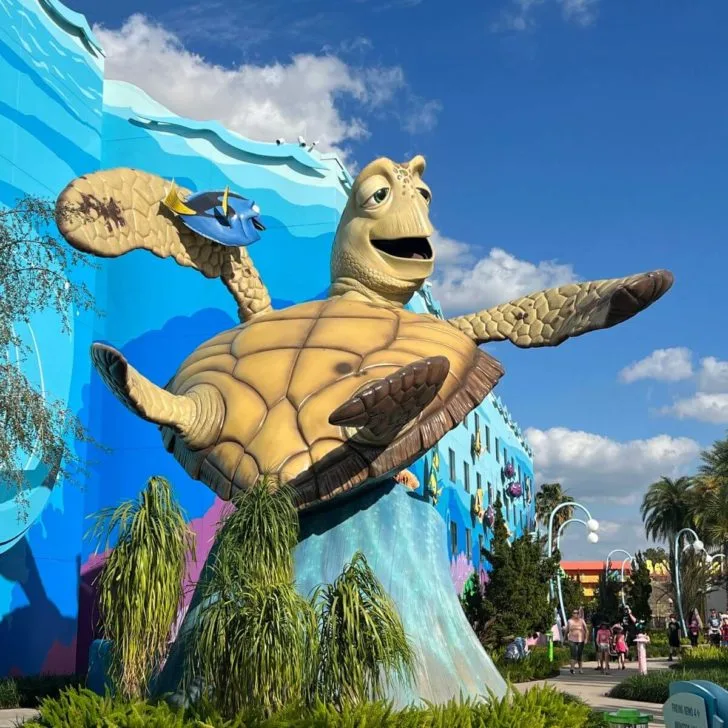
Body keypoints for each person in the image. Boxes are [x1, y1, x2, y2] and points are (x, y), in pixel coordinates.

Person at [566, 608, 588, 675]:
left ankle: (580, 669)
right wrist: (564, 638)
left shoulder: (582, 621)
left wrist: (586, 638)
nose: (576, 614)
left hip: (580, 639)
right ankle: (572, 668)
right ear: (572, 614)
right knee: (573, 654)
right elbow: (567, 630)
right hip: (572, 639)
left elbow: (586, 630)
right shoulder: (570, 621)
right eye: (574, 613)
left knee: (579, 654)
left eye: (577, 613)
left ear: (579, 614)